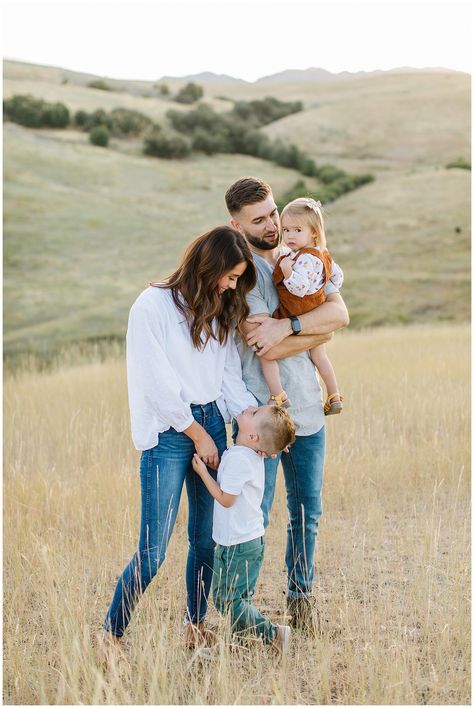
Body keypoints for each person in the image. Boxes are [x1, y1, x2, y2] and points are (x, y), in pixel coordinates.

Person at [102, 225, 260, 650]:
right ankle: (109, 636)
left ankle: (195, 624)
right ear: (208, 266)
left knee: (206, 538)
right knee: (153, 551)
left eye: (236, 281)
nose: (231, 287)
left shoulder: (220, 310)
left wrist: (255, 420)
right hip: (169, 433)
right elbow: (155, 384)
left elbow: (227, 378)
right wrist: (196, 435)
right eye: (229, 277)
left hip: (211, 421)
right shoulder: (151, 306)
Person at [224, 177, 349, 630]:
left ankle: (300, 599)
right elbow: (261, 343)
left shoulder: (304, 258)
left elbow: (339, 317)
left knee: (306, 514)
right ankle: (244, 610)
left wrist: (292, 329)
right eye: (259, 219)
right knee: (254, 516)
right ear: (236, 225)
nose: (274, 224)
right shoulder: (242, 273)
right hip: (263, 416)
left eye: (274, 213)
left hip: (310, 410)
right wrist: (309, 332)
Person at [191, 404, 296, 655]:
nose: (249, 410)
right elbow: (231, 478)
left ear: (253, 437)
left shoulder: (240, 457)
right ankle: (243, 644)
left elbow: (226, 498)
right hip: (248, 541)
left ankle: (274, 633)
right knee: (239, 599)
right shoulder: (244, 454)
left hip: (238, 545)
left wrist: (203, 472)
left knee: (227, 601)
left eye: (253, 414)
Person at [259, 196, 344, 415]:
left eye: (297, 230)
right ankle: (334, 394)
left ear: (314, 232)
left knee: (267, 355)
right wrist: (322, 285)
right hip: (315, 309)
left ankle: (278, 395)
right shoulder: (323, 254)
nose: (289, 236)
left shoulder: (302, 259)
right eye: (286, 230)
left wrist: (288, 271)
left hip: (295, 308)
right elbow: (337, 275)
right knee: (320, 356)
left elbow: (298, 288)